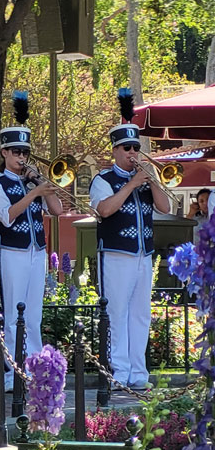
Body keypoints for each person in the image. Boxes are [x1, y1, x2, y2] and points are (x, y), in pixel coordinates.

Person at [90, 88, 171, 390]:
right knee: (117, 313)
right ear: (115, 150)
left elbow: (165, 207)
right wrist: (132, 184)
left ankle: (139, 371)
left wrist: (153, 182)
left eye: (135, 147)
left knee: (140, 315)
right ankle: (118, 371)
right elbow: (105, 209)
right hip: (116, 254)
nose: (132, 153)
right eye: (126, 148)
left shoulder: (146, 178)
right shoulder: (103, 180)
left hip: (143, 255)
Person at [0, 92, 63, 392]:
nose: (21, 157)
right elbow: (7, 216)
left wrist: (45, 187)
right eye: (15, 152)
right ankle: (12, 369)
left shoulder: (32, 181)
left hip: (36, 251)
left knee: (34, 313)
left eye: (24, 153)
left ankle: (36, 366)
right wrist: (33, 193)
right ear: (4, 152)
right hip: (13, 252)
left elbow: (56, 212)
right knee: (14, 309)